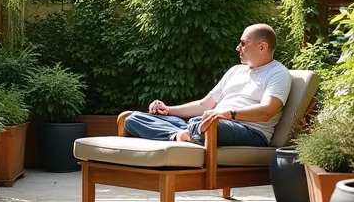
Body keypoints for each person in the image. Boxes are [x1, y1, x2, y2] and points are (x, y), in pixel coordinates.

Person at [123, 24, 291, 148]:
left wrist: (227, 114)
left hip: (249, 131)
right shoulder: (235, 71)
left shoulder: (278, 73)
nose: (237, 48)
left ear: (262, 46)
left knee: (207, 123)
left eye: (243, 43)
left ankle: (190, 131)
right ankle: (182, 135)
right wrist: (167, 110)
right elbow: (204, 105)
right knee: (133, 119)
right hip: (211, 121)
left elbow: (267, 111)